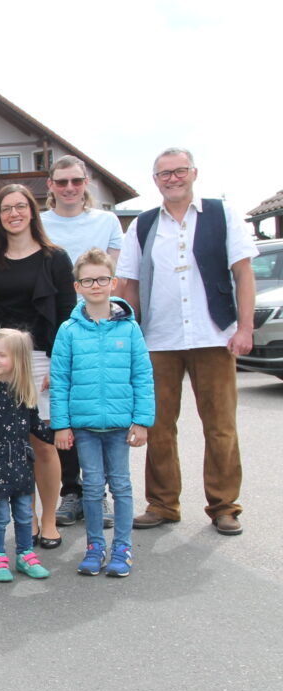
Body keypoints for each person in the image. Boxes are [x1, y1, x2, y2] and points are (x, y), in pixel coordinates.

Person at [115, 147, 258, 535]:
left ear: (194, 173)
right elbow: (127, 285)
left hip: (214, 336)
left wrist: (244, 329)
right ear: (155, 180)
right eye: (164, 174)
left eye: (179, 171)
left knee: (220, 426)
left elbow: (244, 274)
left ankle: (225, 506)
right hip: (158, 340)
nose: (172, 178)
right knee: (158, 425)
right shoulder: (143, 225)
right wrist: (127, 337)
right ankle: (163, 504)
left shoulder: (221, 214)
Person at [0, 184, 75, 549]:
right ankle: (26, 517)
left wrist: (59, 366)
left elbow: (66, 318)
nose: (13, 214)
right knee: (12, 443)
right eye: (5, 209)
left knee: (43, 445)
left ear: (31, 210)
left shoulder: (55, 258)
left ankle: (49, 519)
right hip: (4, 360)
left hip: (42, 358)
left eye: (20, 207)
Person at [50, 249, 155, 578]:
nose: (96, 285)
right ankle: (95, 546)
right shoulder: (68, 330)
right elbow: (60, 380)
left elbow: (143, 376)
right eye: (88, 280)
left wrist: (142, 421)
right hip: (84, 426)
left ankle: (122, 547)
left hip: (120, 425)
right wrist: (61, 426)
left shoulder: (129, 329)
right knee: (92, 487)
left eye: (102, 279)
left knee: (121, 486)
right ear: (78, 286)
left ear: (113, 283)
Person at [39, 155, 123, 530]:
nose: (69, 188)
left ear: (86, 182)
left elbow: (113, 276)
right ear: (51, 186)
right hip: (57, 328)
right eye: (61, 182)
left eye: (76, 181)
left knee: (98, 411)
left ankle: (99, 491)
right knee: (64, 413)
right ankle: (72, 492)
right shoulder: (41, 223)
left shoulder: (106, 222)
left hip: (99, 329)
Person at [0, 329, 54, 582]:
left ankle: (25, 555)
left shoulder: (24, 393)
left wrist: (58, 437)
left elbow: (36, 426)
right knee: (1, 515)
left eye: (1, 355)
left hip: (21, 462)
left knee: (25, 513)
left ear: (18, 360)